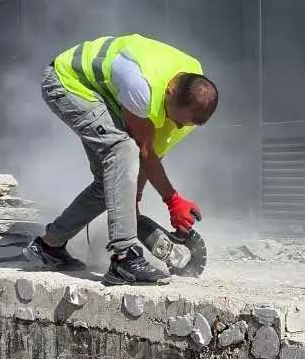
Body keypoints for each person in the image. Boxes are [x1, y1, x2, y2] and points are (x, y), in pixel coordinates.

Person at [28, 34, 218, 284]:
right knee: (121, 148)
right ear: (170, 93)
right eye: (176, 120)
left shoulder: (190, 94)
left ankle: (49, 245)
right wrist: (172, 200)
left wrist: (134, 200)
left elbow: (149, 157)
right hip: (69, 83)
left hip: (109, 94)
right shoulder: (140, 86)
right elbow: (142, 150)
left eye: (185, 125)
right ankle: (124, 258)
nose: (178, 127)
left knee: (108, 184)